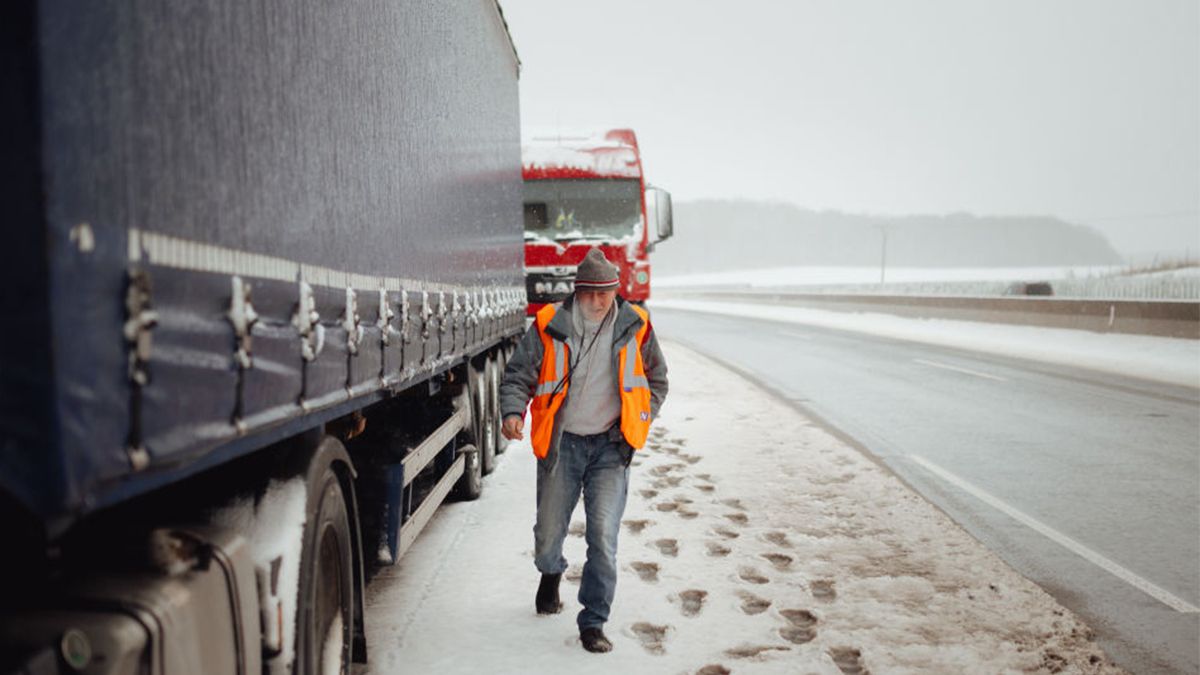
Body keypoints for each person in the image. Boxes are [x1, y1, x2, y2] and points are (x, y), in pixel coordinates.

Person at [500, 247, 669, 653]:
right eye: (590, 293)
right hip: (563, 445)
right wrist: (512, 412)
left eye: (605, 292)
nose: (597, 301)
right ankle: (551, 571)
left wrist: (638, 422)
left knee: (603, 538)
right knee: (548, 534)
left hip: (611, 447)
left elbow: (657, 380)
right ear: (577, 292)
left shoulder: (637, 326)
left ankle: (593, 621)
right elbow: (518, 374)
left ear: (616, 291)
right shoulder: (548, 325)